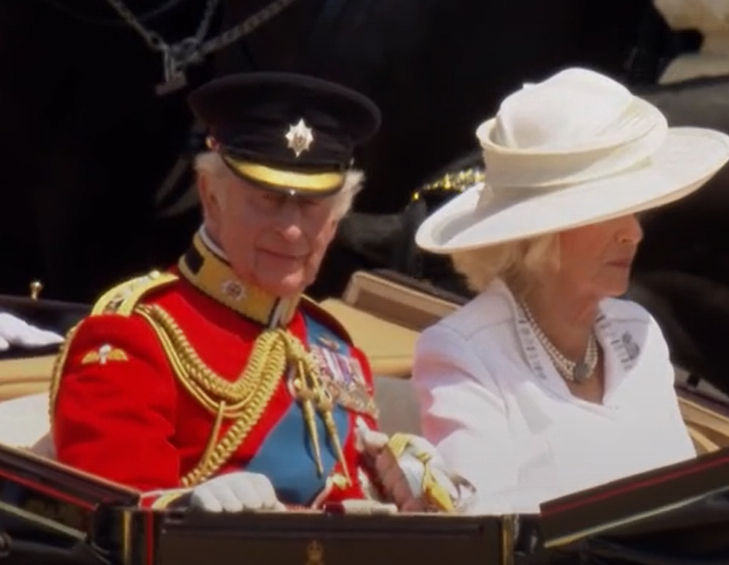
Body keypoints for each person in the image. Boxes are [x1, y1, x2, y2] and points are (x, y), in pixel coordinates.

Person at [47, 72, 469, 513]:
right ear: (211, 196)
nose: (290, 230)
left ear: (335, 220)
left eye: (311, 205)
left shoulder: (334, 346)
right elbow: (115, 523)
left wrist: (401, 492)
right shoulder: (134, 334)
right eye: (267, 199)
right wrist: (186, 508)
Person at [410, 67, 729, 515]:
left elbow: (686, 501)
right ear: (542, 232)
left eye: (635, 209)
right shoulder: (462, 351)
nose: (633, 233)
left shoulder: (638, 332)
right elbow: (481, 526)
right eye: (610, 211)